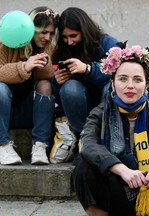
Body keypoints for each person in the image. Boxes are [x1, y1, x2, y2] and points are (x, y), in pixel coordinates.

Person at [73, 41, 149, 216]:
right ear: (112, 84)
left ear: (146, 86)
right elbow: (87, 144)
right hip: (117, 189)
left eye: (137, 80)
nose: (130, 85)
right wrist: (122, 169)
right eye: (123, 79)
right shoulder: (100, 113)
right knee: (83, 165)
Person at [0, 6, 59, 165]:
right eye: (43, 32)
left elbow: (48, 81)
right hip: (0, 114)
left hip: (28, 113)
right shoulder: (4, 44)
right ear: (31, 29)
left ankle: (40, 146)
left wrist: (44, 63)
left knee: (45, 85)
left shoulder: (48, 48)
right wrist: (23, 67)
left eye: (51, 33)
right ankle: (3, 147)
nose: (47, 37)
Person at [51, 7, 118, 140]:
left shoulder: (107, 43)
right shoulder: (61, 51)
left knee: (110, 88)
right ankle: (84, 138)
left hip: (107, 103)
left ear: (84, 30)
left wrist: (88, 69)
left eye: (73, 36)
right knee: (69, 88)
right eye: (64, 37)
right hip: (80, 107)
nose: (69, 42)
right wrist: (56, 82)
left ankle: (109, 135)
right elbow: (59, 96)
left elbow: (120, 73)